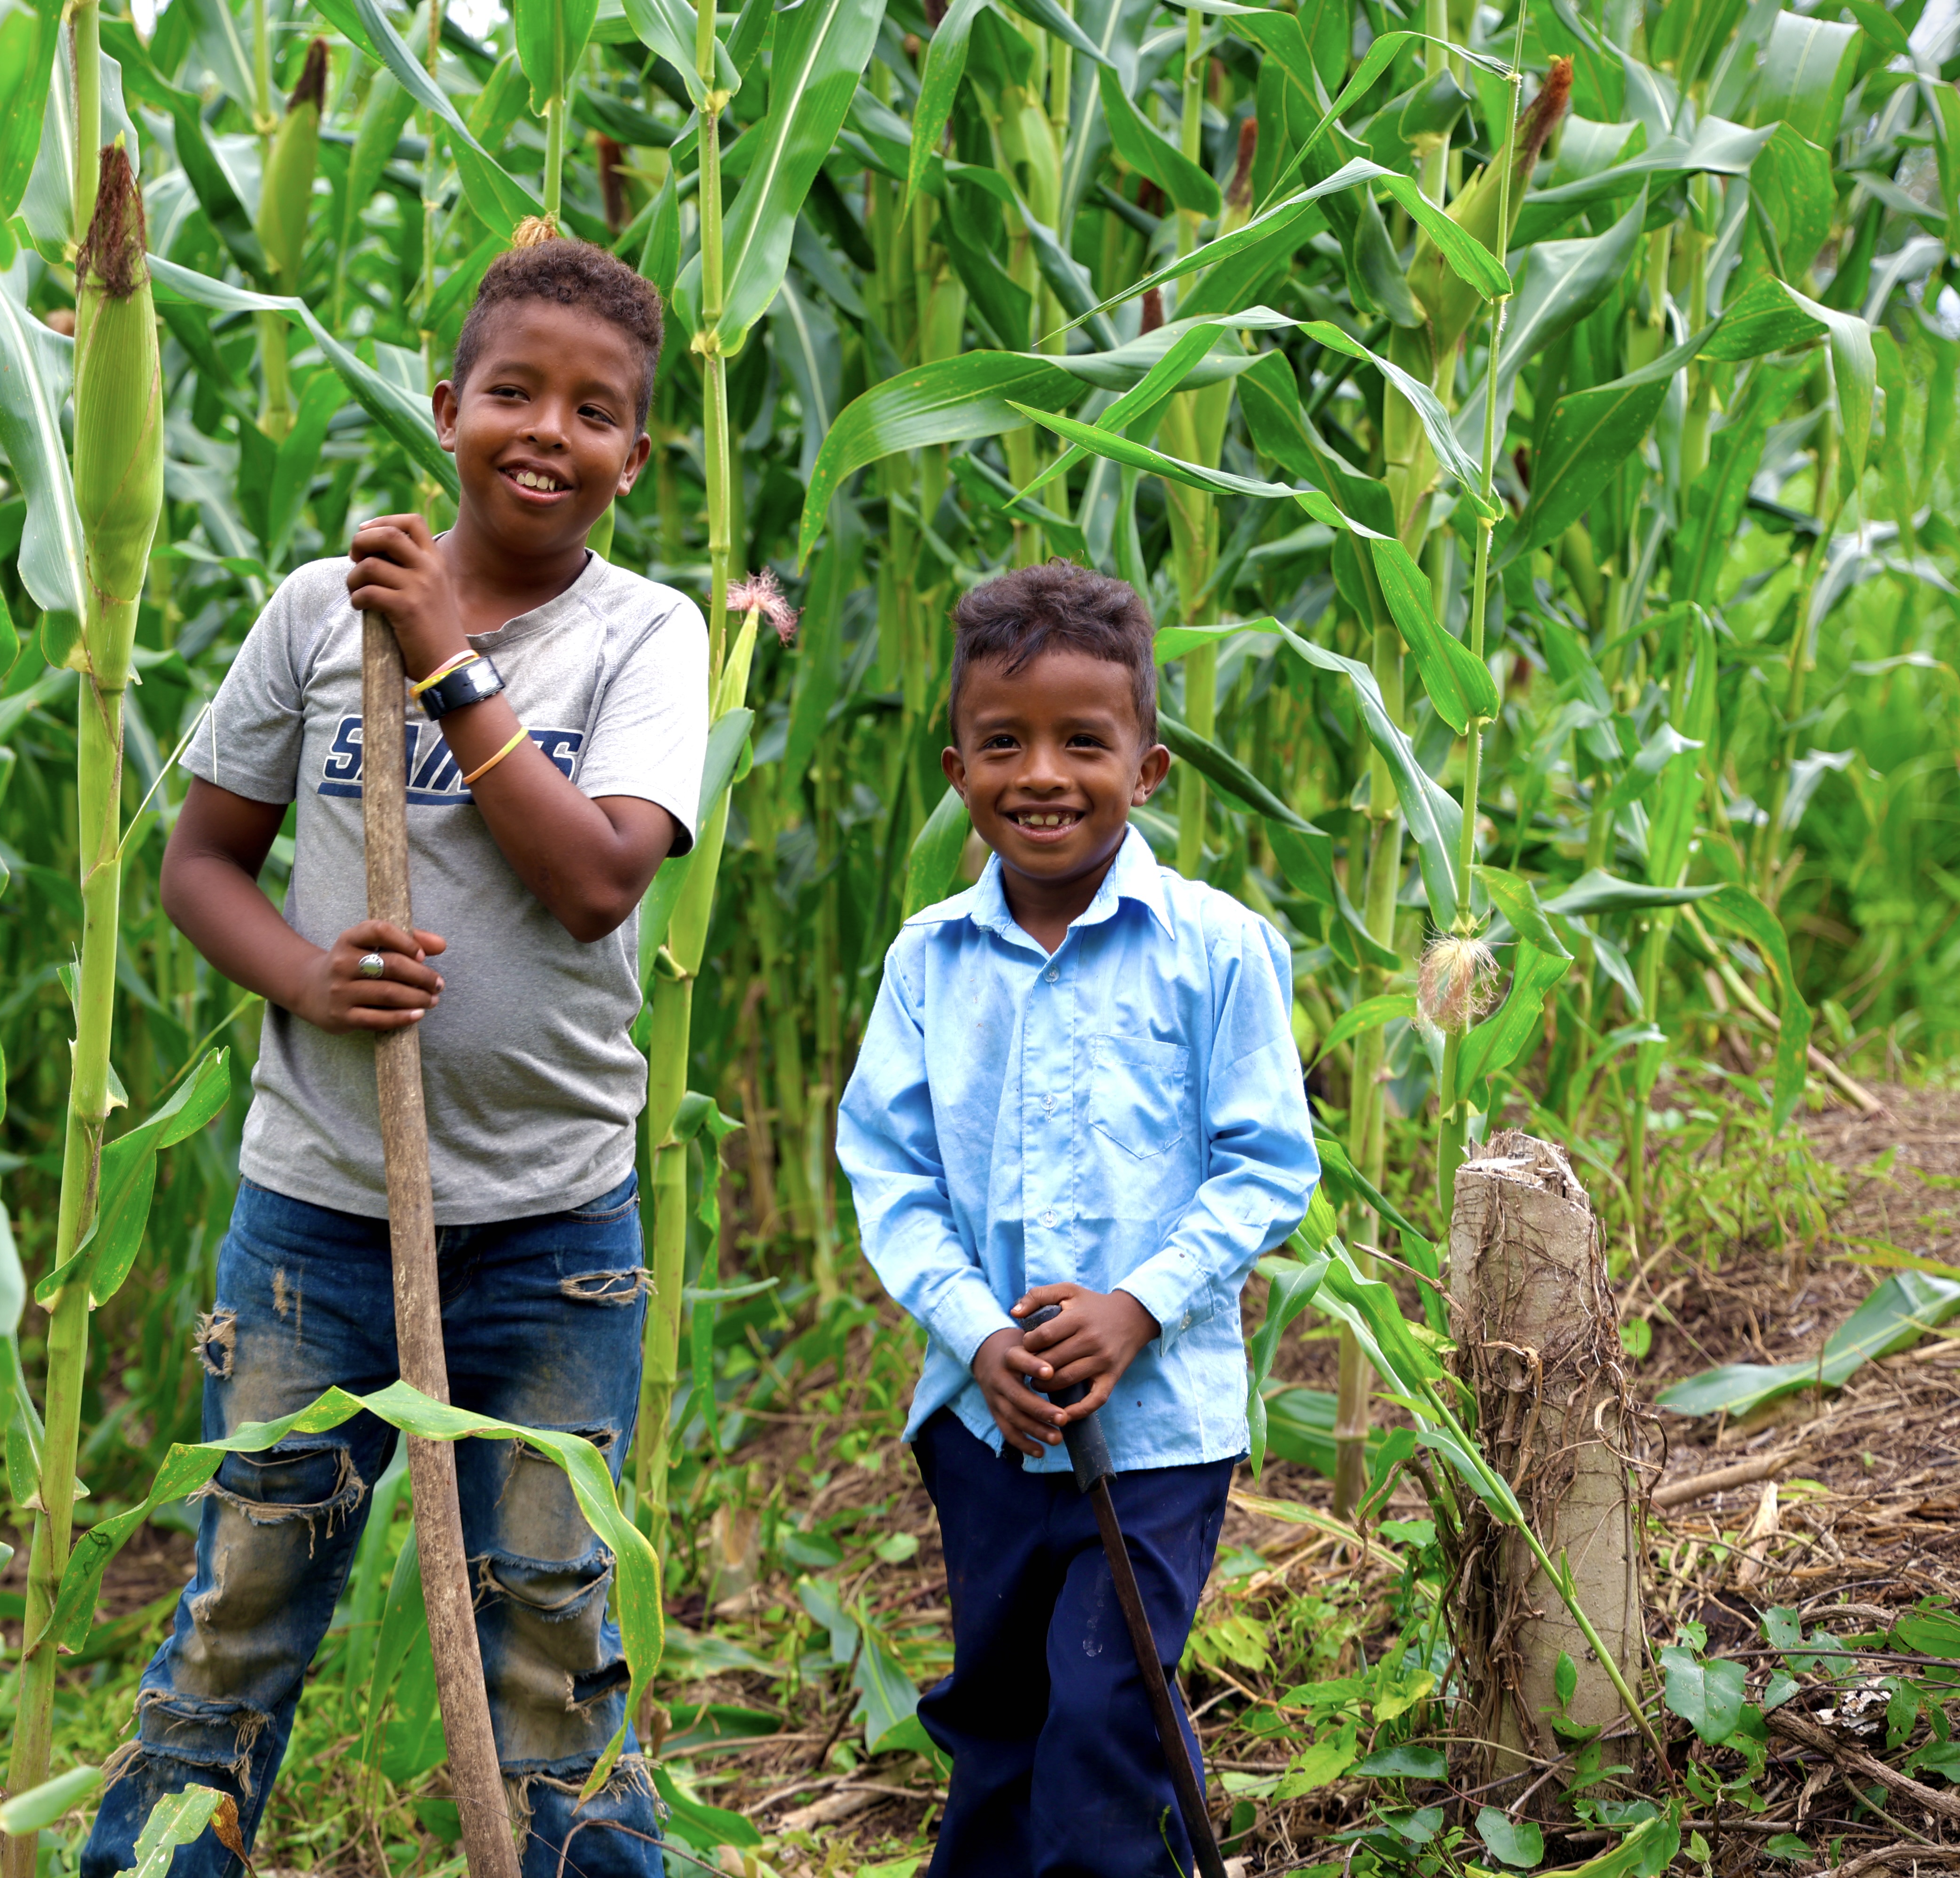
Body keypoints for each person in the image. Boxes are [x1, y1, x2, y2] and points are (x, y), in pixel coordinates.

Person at [80, 229, 704, 1878]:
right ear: (447, 407)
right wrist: (305, 973)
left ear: (636, 455)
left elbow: (591, 882)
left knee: (554, 1642)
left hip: (557, 1240)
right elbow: (200, 862)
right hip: (316, 1225)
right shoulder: (316, 617)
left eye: (593, 412)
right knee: (243, 1612)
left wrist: (447, 657)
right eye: (513, 393)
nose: (547, 434)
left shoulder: (645, 637)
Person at [836, 562, 1321, 1877]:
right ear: (956, 768)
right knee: (1000, 1711)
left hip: (1158, 1433)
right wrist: (978, 1334)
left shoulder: (1216, 950)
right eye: (1005, 743)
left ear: (1148, 768)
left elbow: (1269, 1165)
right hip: (987, 1428)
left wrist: (1136, 1306)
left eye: (1082, 743)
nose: (1041, 774)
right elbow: (890, 1173)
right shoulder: (928, 963)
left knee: (1112, 1711)